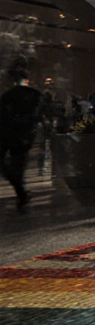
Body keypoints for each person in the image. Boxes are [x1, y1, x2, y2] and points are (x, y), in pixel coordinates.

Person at [1, 61, 42, 212]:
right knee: (18, 165)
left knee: (14, 166)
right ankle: (21, 191)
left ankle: (20, 190)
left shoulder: (8, 96)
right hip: (23, 135)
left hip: (8, 134)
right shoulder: (35, 95)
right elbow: (36, 116)